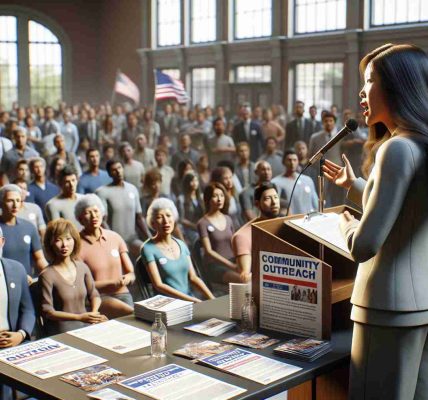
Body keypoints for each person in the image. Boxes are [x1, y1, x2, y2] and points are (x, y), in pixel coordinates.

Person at [322, 43, 428, 399]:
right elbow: (409, 207)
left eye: (369, 81)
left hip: (384, 307)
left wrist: (343, 224)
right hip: (420, 304)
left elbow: (363, 245)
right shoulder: (419, 144)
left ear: (398, 85)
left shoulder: (396, 148)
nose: (361, 92)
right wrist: (354, 186)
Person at [40, 219, 107, 335]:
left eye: (68, 239)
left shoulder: (82, 268)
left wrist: (94, 314)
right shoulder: (46, 275)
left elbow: (94, 295)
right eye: (58, 240)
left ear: (75, 241)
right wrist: (80, 317)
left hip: (87, 324)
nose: (64, 245)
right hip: (61, 332)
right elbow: (48, 312)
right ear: (50, 244)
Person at [141, 198, 214, 302]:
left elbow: (193, 277)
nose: (166, 221)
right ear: (152, 223)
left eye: (168, 215)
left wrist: (212, 298)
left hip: (189, 300)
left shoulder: (181, 244)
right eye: (159, 217)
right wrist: (192, 300)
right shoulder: (147, 248)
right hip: (167, 304)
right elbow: (158, 285)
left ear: (174, 218)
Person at [75, 194, 135, 319]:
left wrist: (127, 278)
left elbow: (131, 273)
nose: (94, 216)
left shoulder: (115, 237)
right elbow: (82, 285)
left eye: (96, 211)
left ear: (102, 213)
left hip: (123, 294)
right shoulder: (76, 246)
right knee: (133, 316)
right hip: (98, 299)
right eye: (88, 212)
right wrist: (113, 283)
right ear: (80, 219)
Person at [0, 225, 35, 400]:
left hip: (14, 344)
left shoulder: (17, 269)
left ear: (2, 242)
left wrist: (21, 334)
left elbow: (28, 310)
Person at [96, 160, 150, 257]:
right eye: (114, 170)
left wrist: (150, 237)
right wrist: (112, 241)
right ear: (109, 173)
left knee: (147, 253)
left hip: (132, 239)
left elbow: (139, 217)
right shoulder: (102, 192)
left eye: (119, 168)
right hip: (115, 241)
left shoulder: (132, 189)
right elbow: (102, 221)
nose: (118, 172)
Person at [232, 182, 281, 283]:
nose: (274, 202)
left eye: (276, 197)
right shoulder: (243, 236)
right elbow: (246, 276)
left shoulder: (285, 226)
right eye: (268, 198)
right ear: (257, 204)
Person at [197, 182, 240, 285]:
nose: (219, 199)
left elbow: (235, 243)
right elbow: (208, 251)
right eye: (215, 196)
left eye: (221, 195)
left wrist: (239, 261)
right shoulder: (202, 223)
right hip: (215, 266)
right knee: (242, 280)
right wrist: (231, 266)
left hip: (233, 261)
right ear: (208, 199)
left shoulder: (228, 219)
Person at [0, 185, 48, 278]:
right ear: (1, 203)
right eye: (10, 200)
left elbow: (40, 259)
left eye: (18, 200)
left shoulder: (29, 227)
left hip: (27, 283)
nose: (15, 205)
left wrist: (52, 273)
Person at [309, 111, 345, 206]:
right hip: (321, 171)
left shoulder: (341, 136)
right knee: (322, 197)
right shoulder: (315, 137)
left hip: (337, 170)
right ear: (322, 123)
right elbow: (311, 154)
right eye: (326, 121)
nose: (328, 123)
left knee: (337, 197)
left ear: (334, 122)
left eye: (331, 120)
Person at [272, 149, 318, 215]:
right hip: (290, 221)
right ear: (283, 162)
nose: (292, 163)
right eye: (289, 160)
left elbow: (315, 203)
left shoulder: (308, 180)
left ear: (298, 162)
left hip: (310, 220)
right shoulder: (275, 182)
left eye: (294, 160)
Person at [177, 172, 205, 246]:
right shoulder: (181, 199)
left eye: (196, 180)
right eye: (192, 181)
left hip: (202, 226)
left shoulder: (201, 197)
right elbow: (181, 219)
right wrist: (194, 226)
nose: (194, 183)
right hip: (189, 229)